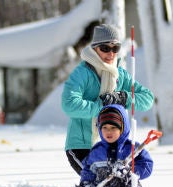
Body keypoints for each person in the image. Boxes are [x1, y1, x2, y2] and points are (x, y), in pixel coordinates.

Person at [62, 24, 154, 175]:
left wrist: (124, 98)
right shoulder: (82, 73)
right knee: (98, 179)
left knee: (116, 181)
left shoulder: (120, 75)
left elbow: (148, 99)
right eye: (105, 48)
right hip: (82, 146)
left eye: (115, 48)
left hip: (111, 144)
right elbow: (69, 104)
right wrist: (101, 105)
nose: (111, 53)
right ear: (95, 48)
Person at [77, 104, 153, 187]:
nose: (108, 131)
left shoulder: (132, 148)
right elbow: (87, 170)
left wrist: (130, 171)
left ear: (122, 128)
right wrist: (86, 185)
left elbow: (147, 165)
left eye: (113, 128)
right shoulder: (97, 151)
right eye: (105, 127)